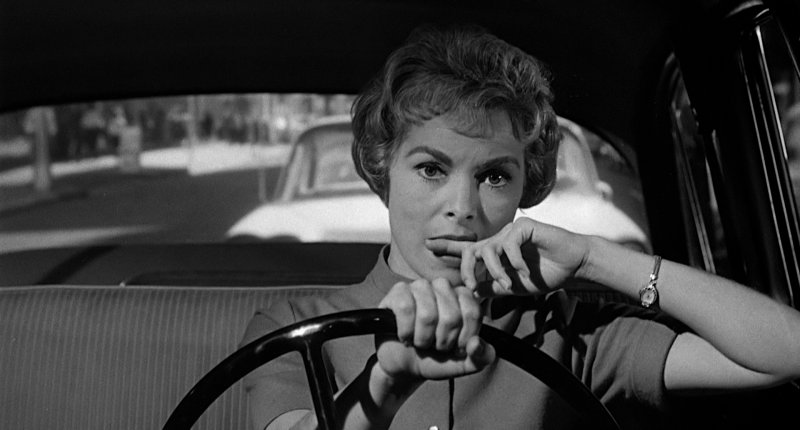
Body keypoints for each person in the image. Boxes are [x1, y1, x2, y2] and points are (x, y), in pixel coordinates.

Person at [240, 25, 800, 430]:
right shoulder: (293, 326)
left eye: (493, 176)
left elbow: (787, 352)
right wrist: (384, 382)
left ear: (525, 187)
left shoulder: (567, 331)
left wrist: (595, 258)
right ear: (383, 168)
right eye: (432, 169)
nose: (462, 207)